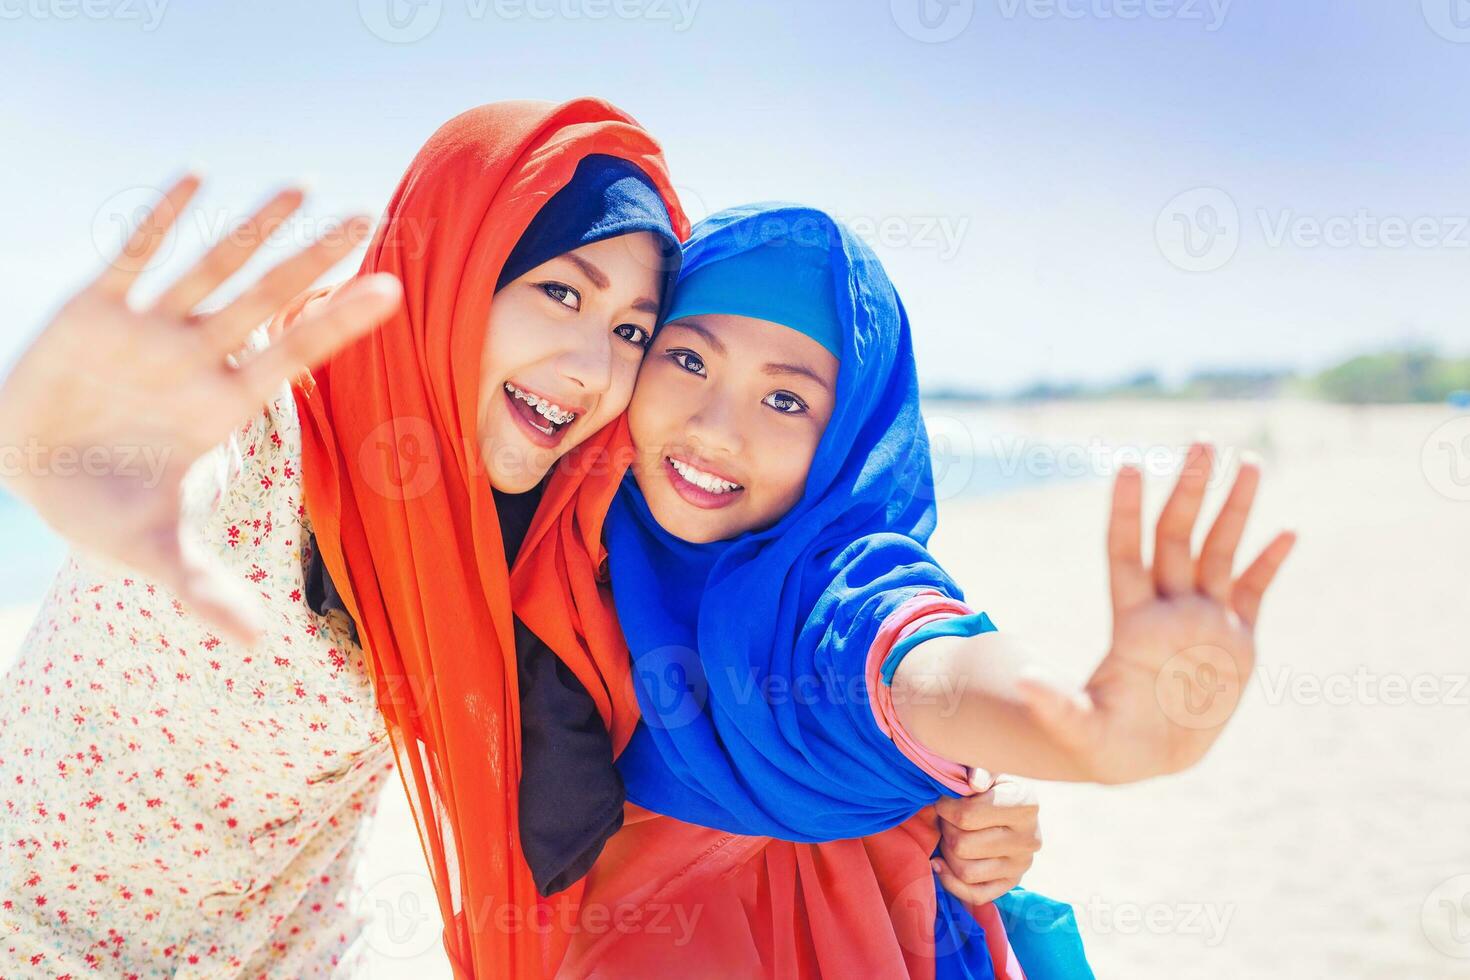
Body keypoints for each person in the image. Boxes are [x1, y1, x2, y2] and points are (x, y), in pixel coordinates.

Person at [0, 104, 1029, 977]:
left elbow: (756, 635)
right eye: (559, 291)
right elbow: (140, 466)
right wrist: (57, 450)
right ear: (457, 267)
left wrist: (945, 770)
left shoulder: (541, 504)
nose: (589, 363)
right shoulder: (273, 429)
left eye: (632, 330)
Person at [515, 205, 1294, 977]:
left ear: (849, 436)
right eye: (688, 361)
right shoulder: (568, 543)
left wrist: (1086, 738)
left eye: (786, 400)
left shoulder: (830, 588)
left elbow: (921, 663)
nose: (716, 429)